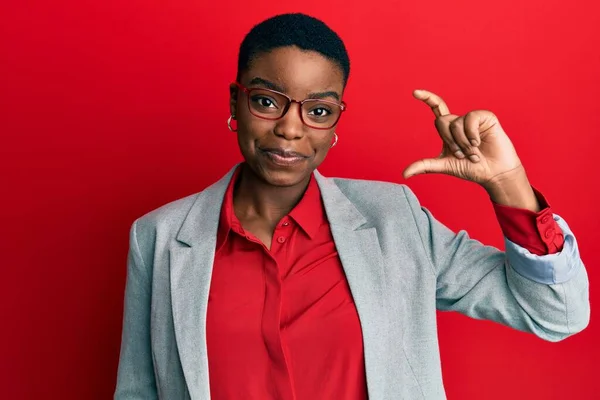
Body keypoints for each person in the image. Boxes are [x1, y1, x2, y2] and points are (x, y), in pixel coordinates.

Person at [114, 13, 590, 400]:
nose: (291, 129)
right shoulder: (158, 238)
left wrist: (508, 184)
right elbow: (138, 390)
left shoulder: (394, 221)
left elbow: (556, 314)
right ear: (236, 104)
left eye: (318, 110)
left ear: (336, 120)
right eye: (266, 101)